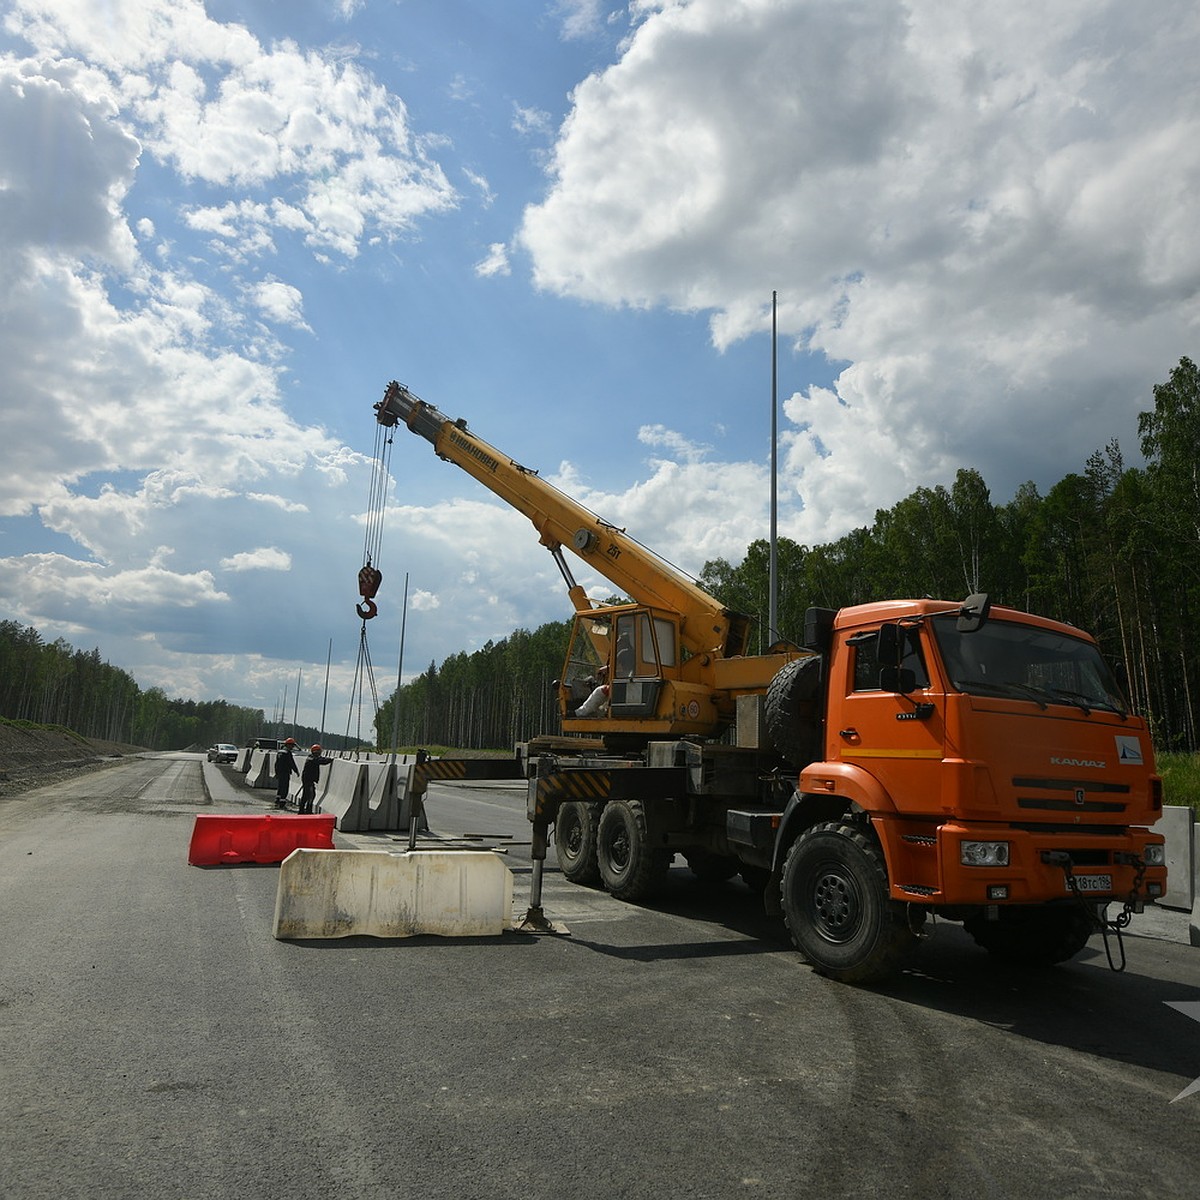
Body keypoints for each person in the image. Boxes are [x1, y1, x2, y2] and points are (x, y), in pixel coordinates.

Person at [299, 743, 334, 814]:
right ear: (316, 752)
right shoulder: (312, 759)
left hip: (309, 779)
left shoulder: (312, 757)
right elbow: (322, 761)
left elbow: (321, 759)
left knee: (309, 795)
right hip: (307, 779)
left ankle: (304, 810)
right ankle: (305, 810)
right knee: (309, 795)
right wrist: (330, 760)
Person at [274, 737, 298, 808]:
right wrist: (296, 771)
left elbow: (276, 763)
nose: (292, 747)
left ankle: (277, 800)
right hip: (285, 772)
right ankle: (282, 803)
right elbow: (291, 763)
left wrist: (276, 772)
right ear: (288, 745)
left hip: (279, 772)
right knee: (285, 787)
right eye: (292, 745)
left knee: (280, 787)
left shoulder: (280, 752)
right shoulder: (287, 752)